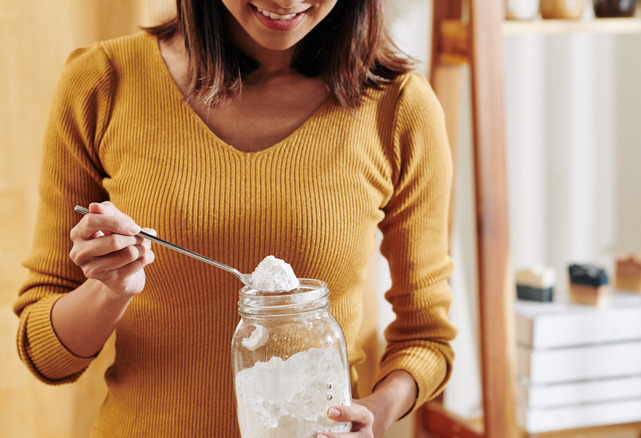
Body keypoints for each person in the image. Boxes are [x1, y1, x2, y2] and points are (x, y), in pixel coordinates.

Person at [13, 0, 456, 436]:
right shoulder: (102, 83)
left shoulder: (400, 108)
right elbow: (47, 357)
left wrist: (376, 411)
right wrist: (109, 290)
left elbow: (426, 338)